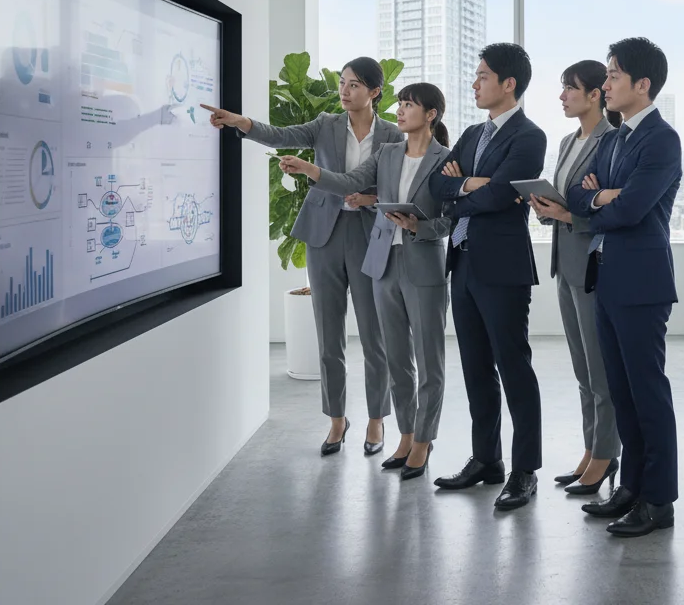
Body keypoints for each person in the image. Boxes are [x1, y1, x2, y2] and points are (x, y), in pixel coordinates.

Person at [201, 57, 400, 457]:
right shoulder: (326, 124)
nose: (344, 91)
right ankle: (337, 420)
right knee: (329, 333)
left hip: (368, 235)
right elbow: (280, 135)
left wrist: (371, 198)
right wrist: (242, 122)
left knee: (373, 334)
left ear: (375, 92)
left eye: (354, 85)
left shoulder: (393, 135)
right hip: (323, 236)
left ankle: (376, 419)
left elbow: (397, 186)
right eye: (342, 83)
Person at [279, 83, 452, 481]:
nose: (400, 110)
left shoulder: (446, 160)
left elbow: (454, 217)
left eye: (409, 105)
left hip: (424, 266)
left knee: (429, 362)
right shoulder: (387, 153)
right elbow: (349, 181)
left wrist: (421, 226)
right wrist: (311, 169)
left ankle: (424, 441)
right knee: (397, 360)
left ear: (430, 115)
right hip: (383, 263)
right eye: (400, 103)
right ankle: (405, 436)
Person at [566, 37, 682, 538]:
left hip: (642, 282)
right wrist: (603, 197)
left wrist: (605, 199)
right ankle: (631, 486)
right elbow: (576, 192)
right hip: (607, 276)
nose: (606, 83)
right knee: (623, 392)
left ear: (643, 84)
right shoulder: (614, 139)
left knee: (647, 393)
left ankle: (659, 500)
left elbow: (632, 210)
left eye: (614, 75)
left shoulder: (661, 139)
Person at [428, 43, 547, 511]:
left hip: (503, 267)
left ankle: (524, 470)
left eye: (482, 76)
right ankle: (486, 459)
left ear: (508, 83)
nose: (474, 84)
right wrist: (469, 185)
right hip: (462, 262)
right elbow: (436, 185)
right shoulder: (473, 133)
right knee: (475, 367)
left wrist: (465, 190)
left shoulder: (529, 137)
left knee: (513, 367)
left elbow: (500, 197)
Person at [527, 61, 623, 495]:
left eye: (570, 88)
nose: (563, 96)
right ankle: (591, 449)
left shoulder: (612, 141)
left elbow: (605, 209)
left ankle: (605, 454)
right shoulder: (567, 141)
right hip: (564, 262)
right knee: (582, 368)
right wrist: (547, 210)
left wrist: (570, 213)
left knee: (600, 369)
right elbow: (572, 199)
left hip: (593, 264)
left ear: (595, 94)